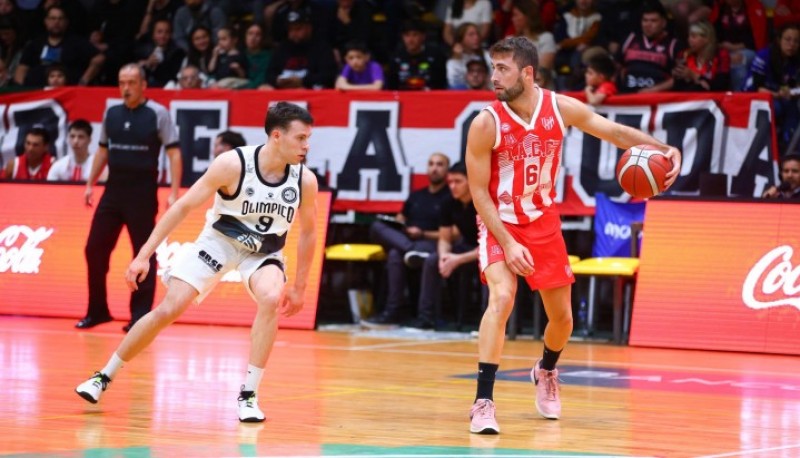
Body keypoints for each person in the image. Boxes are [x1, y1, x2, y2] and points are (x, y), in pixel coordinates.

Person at [465, 36, 681, 433]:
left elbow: (614, 132)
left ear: (527, 73)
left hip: (543, 222)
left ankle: (546, 369)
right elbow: (479, 193)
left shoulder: (559, 107)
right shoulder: (484, 122)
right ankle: (483, 400)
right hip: (500, 222)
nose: (494, 76)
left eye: (503, 68)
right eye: (492, 67)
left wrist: (663, 147)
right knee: (502, 297)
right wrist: (509, 242)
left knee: (562, 320)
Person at [75, 102, 319, 424]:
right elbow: (183, 207)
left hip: (263, 253)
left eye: (308, 138)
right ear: (277, 136)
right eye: (301, 138)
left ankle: (248, 395)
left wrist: (300, 286)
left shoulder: (304, 181)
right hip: (218, 242)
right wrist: (144, 254)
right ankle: (103, 376)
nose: (306, 145)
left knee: (272, 298)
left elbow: (308, 234)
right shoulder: (233, 164)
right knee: (169, 308)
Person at [76, 64, 182, 332]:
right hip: (113, 191)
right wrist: (90, 183)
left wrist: (173, 192)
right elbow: (101, 151)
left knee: (143, 253)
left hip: (143, 193)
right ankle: (97, 310)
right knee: (94, 249)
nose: (126, 88)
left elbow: (174, 153)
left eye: (132, 82)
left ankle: (140, 315)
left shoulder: (158, 114)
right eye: (122, 82)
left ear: (143, 85)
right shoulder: (111, 113)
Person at [362, 152, 452, 327]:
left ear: (447, 170)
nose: (435, 168)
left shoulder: (449, 197)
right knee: (377, 227)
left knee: (396, 253)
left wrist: (423, 234)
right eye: (431, 164)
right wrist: (400, 226)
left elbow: (453, 235)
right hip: (409, 240)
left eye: (440, 164)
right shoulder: (416, 196)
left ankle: (401, 311)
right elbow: (401, 218)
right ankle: (393, 310)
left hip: (431, 242)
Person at [412, 161, 480, 330]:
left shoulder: (483, 203)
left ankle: (485, 322)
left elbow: (492, 245)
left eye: (458, 182)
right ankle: (425, 317)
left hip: (490, 250)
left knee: (492, 266)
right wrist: (444, 256)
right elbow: (444, 238)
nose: (452, 186)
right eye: (450, 182)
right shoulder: (448, 202)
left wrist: (457, 259)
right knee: (432, 260)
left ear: (471, 181)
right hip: (466, 247)